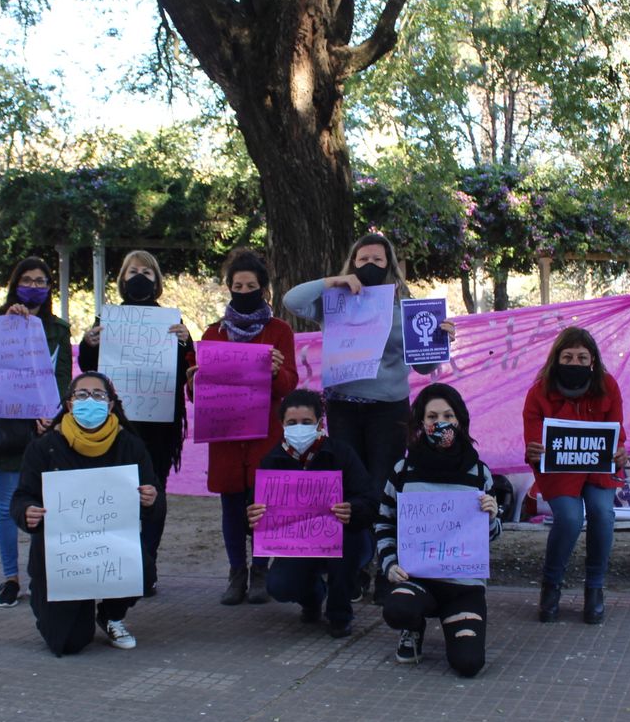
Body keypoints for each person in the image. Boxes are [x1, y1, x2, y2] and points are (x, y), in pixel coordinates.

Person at [282, 233, 454, 602]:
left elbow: (424, 366)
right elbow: (290, 300)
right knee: (347, 489)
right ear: (352, 263)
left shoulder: (405, 308)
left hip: (388, 409)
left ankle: (385, 568)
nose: (370, 265)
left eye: (378, 260)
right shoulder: (334, 303)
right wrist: (332, 282)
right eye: (363, 259)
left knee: (381, 489)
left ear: (390, 265)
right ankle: (354, 567)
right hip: (343, 406)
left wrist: (439, 341)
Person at [9, 372, 159, 656]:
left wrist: (151, 499)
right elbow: (21, 496)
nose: (90, 401)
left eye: (99, 395)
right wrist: (26, 512)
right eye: (82, 395)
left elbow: (155, 503)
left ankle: (111, 615)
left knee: (144, 569)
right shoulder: (44, 447)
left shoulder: (130, 446)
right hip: (60, 555)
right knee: (68, 643)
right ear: (68, 404)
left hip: (113, 547)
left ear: (111, 404)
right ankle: (57, 601)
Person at [78, 250, 195, 598]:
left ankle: (148, 563)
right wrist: (88, 343)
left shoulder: (172, 321)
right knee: (116, 493)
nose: (139, 276)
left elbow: (185, 371)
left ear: (157, 281)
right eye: (133, 271)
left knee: (152, 492)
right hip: (117, 425)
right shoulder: (107, 318)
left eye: (146, 271)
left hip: (159, 427)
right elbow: (90, 369)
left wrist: (187, 344)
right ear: (122, 279)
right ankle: (117, 562)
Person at [193, 249, 298, 605]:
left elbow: (289, 386)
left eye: (250, 285)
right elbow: (197, 393)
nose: (243, 290)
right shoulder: (212, 333)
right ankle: (237, 571)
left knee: (263, 503)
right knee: (231, 506)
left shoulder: (279, 331)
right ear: (229, 288)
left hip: (265, 432)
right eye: (237, 285)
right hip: (225, 436)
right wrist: (194, 380)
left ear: (264, 290)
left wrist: (276, 372)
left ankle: (261, 570)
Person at [0, 256, 72, 609]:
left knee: (49, 503)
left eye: (42, 281)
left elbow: (62, 377)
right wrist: (4, 327)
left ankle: (46, 574)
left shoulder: (58, 327)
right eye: (27, 280)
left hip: (44, 425)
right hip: (8, 424)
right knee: (6, 504)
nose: (35, 286)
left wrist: (54, 416)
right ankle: (10, 578)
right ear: (15, 284)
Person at [375, 383, 500, 678]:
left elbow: (491, 536)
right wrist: (390, 564)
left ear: (460, 421)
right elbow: (384, 522)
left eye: (448, 415)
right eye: (432, 417)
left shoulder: (480, 473)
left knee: (468, 664)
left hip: (463, 585)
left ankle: (453, 624)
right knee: (397, 609)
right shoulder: (403, 470)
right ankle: (412, 627)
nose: (440, 423)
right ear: (421, 422)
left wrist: (492, 518)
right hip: (419, 579)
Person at [246, 389, 376, 637]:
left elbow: (369, 500)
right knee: (280, 586)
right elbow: (255, 509)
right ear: (282, 425)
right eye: (292, 423)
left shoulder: (341, 453)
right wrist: (251, 516)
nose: (299, 428)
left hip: (347, 539)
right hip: (299, 545)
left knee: (347, 546)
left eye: (306, 422)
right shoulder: (272, 461)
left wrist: (353, 509)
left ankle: (340, 614)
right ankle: (313, 597)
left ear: (320, 423)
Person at [521, 326, 628, 624]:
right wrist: (534, 451)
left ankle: (595, 588)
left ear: (593, 360)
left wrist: (619, 452)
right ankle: (551, 585)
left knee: (602, 512)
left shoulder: (608, 386)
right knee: (569, 518)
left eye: (582, 357)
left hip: (597, 468)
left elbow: (617, 435)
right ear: (556, 359)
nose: (575, 363)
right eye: (568, 357)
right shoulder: (538, 392)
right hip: (559, 470)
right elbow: (533, 442)